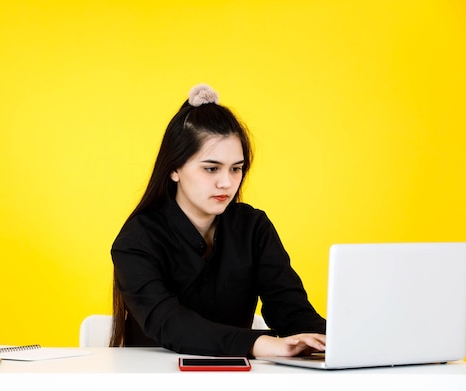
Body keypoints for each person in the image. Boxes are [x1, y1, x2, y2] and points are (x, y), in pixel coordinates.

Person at [110, 84, 326, 358]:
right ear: (174, 168)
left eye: (236, 169)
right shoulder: (137, 239)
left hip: (233, 380)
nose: (227, 182)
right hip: (154, 380)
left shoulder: (253, 227)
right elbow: (170, 324)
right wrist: (258, 344)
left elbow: (291, 311)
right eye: (211, 168)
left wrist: (338, 341)